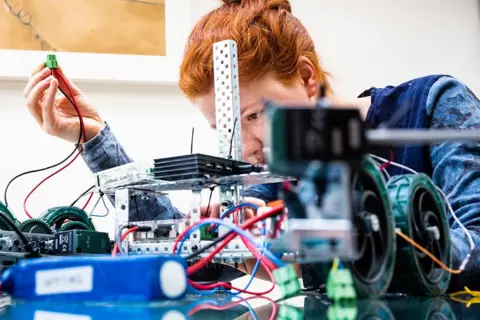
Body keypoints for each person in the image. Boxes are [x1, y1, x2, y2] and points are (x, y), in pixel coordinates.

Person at [23, 0, 480, 291]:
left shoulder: (432, 104)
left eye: (254, 116)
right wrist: (94, 137)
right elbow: (193, 244)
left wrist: (328, 253)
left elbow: (475, 243)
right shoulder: (270, 176)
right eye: (227, 130)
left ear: (305, 77)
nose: (246, 150)